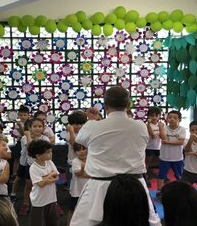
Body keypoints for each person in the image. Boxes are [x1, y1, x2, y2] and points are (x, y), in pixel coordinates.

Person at [70, 86, 161, 226]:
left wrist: (93, 120)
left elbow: (79, 141)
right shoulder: (140, 126)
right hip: (135, 185)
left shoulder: (91, 126)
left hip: (101, 186)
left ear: (105, 105)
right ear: (128, 105)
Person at [11, 118, 50, 215]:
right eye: (35, 126)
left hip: (42, 166)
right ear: (30, 128)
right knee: (28, 185)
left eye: (40, 126)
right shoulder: (25, 138)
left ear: (43, 128)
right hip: (30, 165)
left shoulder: (45, 139)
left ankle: (47, 203)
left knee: (44, 185)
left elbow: (48, 153)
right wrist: (28, 135)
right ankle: (26, 203)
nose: (37, 128)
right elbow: (30, 149)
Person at [28, 139, 59, 226]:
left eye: (51, 151)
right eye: (48, 152)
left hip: (51, 198)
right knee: (38, 222)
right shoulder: (33, 168)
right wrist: (49, 176)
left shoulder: (50, 162)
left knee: (53, 221)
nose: (51, 154)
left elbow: (57, 177)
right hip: (39, 201)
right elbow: (40, 184)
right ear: (38, 155)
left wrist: (45, 179)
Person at [155, 110, 186, 200]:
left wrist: (167, 142)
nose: (172, 119)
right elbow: (163, 137)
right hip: (165, 157)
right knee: (161, 175)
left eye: (175, 118)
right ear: (167, 119)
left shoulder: (182, 129)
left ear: (179, 120)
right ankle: (159, 191)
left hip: (178, 158)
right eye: (170, 117)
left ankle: (181, 190)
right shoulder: (164, 128)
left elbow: (180, 142)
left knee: (179, 176)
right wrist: (161, 127)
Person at [67, 143, 90, 226]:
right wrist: (83, 169)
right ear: (75, 152)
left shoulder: (90, 160)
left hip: (88, 190)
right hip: (76, 191)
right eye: (78, 150)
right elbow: (80, 174)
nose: (82, 152)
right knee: (72, 209)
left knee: (87, 209)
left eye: (83, 149)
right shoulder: (75, 161)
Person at [66, 110, 88, 187]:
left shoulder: (86, 132)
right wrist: (71, 131)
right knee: (72, 184)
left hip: (84, 162)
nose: (79, 126)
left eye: (82, 124)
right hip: (72, 162)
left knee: (84, 183)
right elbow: (74, 144)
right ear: (71, 124)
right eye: (76, 124)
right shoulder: (70, 133)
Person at [145, 106, 165, 187]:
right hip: (149, 146)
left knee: (161, 161)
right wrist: (149, 124)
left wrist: (160, 130)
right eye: (152, 115)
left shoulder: (161, 125)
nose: (154, 117)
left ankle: (163, 176)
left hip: (159, 146)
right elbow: (152, 135)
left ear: (159, 116)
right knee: (147, 161)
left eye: (156, 115)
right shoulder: (147, 125)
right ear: (148, 116)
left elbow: (163, 136)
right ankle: (145, 175)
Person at [12, 105, 31, 180]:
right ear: (18, 115)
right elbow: (23, 134)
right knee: (17, 159)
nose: (23, 117)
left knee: (28, 159)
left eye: (25, 115)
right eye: (21, 115)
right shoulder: (18, 124)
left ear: (28, 115)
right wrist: (19, 126)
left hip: (29, 142)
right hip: (20, 143)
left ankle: (26, 175)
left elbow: (25, 134)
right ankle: (14, 175)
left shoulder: (31, 123)